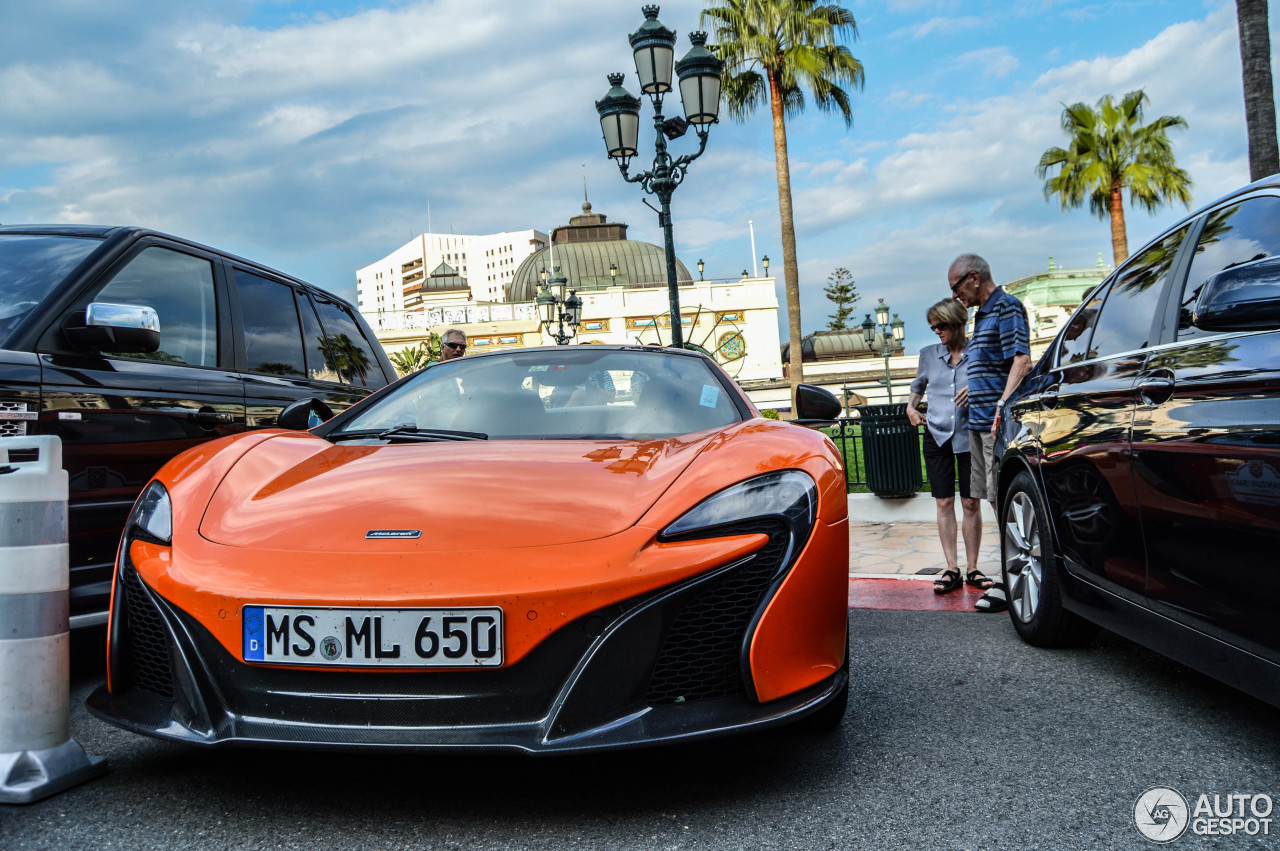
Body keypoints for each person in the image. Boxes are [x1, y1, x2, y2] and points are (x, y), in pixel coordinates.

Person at [947, 253, 1032, 611]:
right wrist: (976, 390)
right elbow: (991, 363)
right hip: (978, 424)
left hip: (996, 425)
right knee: (995, 503)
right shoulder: (982, 316)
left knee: (1005, 503)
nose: (955, 297)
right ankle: (1009, 576)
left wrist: (1002, 403)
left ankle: (1010, 581)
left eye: (956, 288)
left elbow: (1021, 360)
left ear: (974, 278)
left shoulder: (1007, 307)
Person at [906, 298, 981, 595]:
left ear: (958, 323)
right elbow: (917, 388)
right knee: (944, 501)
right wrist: (911, 409)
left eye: (941, 326)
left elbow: (997, 383)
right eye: (933, 326)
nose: (936, 331)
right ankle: (952, 568)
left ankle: (973, 568)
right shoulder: (928, 355)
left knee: (971, 503)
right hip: (936, 435)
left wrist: (976, 390)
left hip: (969, 436)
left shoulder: (978, 352)